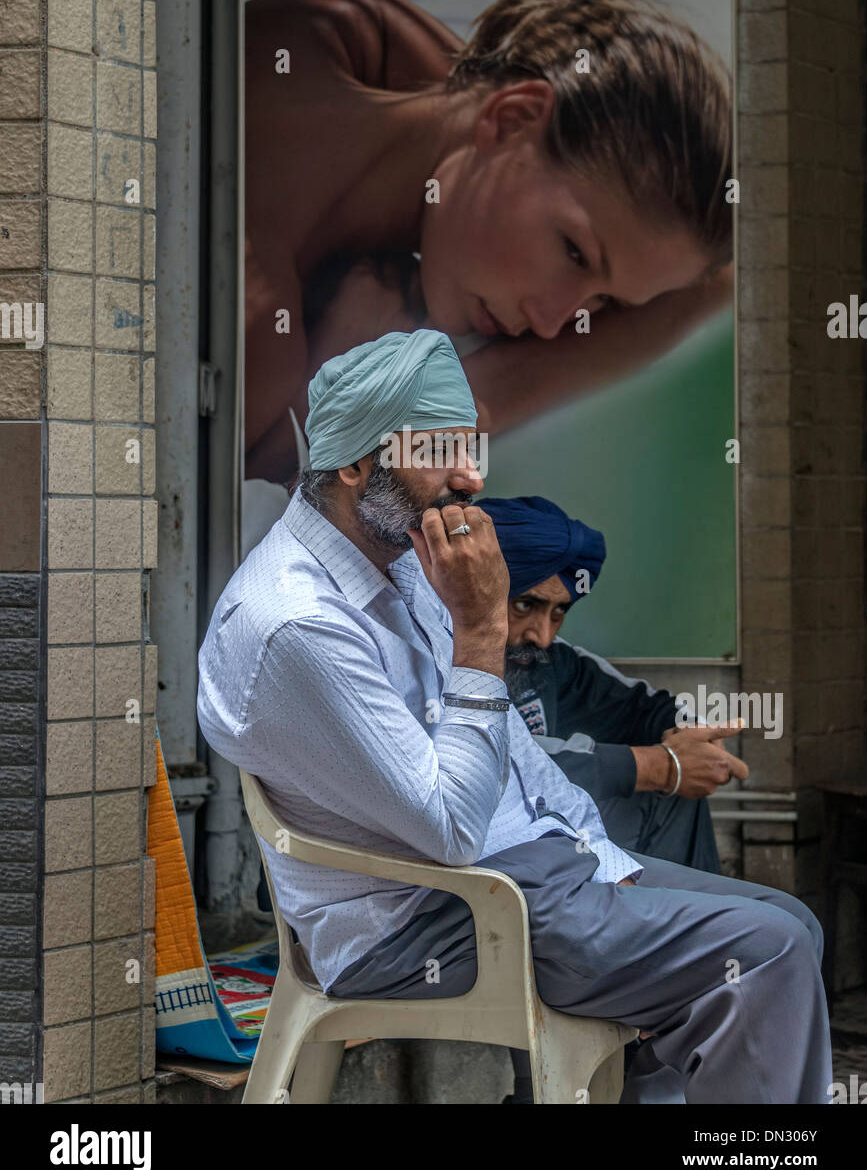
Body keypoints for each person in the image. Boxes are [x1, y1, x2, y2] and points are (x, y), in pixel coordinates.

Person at [198, 330, 831, 1104]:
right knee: (764, 955)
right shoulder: (296, 622)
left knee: (787, 918)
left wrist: (600, 855)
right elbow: (453, 831)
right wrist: (482, 630)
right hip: (428, 916)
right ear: (357, 464)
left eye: (472, 447)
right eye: (440, 449)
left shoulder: (400, 559)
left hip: (528, 868)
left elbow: (515, 757)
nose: (469, 475)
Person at [244, 0, 733, 484]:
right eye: (574, 252)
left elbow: (711, 282)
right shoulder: (260, 334)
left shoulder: (360, 31)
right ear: (510, 119)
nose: (551, 326)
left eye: (606, 303)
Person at [478, 495, 745, 876]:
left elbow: (637, 704)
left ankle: (682, 924)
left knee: (676, 789)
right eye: (525, 605)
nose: (543, 634)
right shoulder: (440, 653)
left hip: (554, 840)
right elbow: (503, 766)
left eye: (559, 612)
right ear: (480, 588)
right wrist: (659, 766)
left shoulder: (545, 657)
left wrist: (691, 734)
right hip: (487, 854)